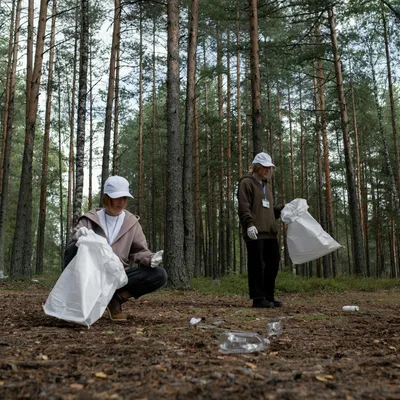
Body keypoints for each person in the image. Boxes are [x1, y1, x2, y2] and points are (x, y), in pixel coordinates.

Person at [64, 176, 167, 321]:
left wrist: (150, 259)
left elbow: (139, 251)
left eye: (125, 197)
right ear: (107, 197)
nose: (121, 202)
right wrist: (77, 237)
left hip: (116, 277)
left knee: (159, 274)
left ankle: (115, 299)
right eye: (117, 197)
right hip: (90, 275)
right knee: (74, 248)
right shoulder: (90, 219)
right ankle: (76, 305)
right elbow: (72, 249)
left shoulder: (132, 223)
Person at [238, 152, 284, 308]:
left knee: (273, 262)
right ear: (257, 167)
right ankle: (258, 298)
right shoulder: (246, 183)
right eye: (264, 167)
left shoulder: (266, 186)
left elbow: (269, 211)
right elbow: (244, 206)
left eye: (269, 167)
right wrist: (249, 224)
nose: (267, 170)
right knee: (256, 264)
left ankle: (268, 296)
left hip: (270, 232)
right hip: (255, 231)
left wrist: (282, 209)